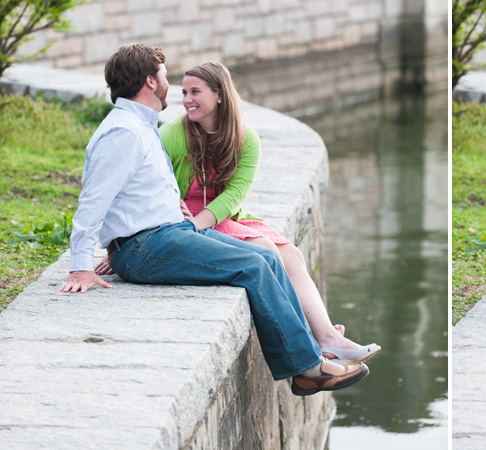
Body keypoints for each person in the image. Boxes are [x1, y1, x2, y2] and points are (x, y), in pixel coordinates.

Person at [61, 44, 369, 397]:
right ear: (150, 81)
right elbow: (93, 201)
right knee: (252, 266)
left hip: (164, 234)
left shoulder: (141, 126)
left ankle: (312, 358)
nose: (168, 84)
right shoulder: (123, 133)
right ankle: (308, 370)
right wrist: (81, 265)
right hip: (144, 246)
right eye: (164, 77)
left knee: (268, 256)